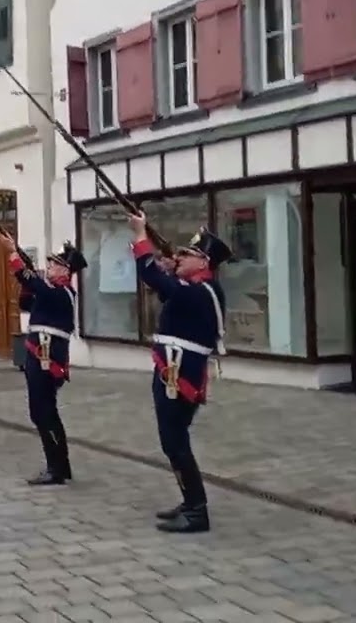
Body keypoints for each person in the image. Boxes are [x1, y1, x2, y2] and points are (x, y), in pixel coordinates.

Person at [129, 212, 230, 534]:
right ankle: (190, 501)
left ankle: (197, 510)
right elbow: (166, 292)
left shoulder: (203, 291)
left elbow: (155, 281)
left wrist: (141, 235)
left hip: (180, 373)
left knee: (175, 442)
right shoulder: (194, 288)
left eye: (188, 254)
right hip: (173, 368)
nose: (181, 256)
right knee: (173, 440)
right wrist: (167, 267)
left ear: (204, 263)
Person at [1, 237, 86, 486]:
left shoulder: (64, 293)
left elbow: (37, 287)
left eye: (54, 265)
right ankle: (60, 464)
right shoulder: (49, 291)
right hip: (38, 356)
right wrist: (27, 278)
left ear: (65, 270)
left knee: (44, 412)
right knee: (41, 412)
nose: (48, 268)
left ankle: (56, 467)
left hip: (49, 359)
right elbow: (27, 301)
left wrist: (15, 255)